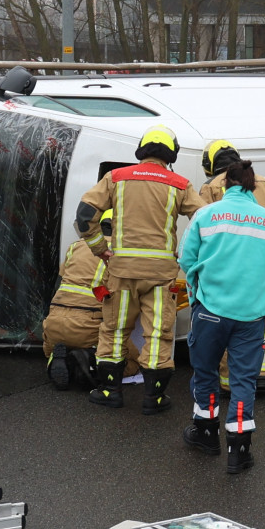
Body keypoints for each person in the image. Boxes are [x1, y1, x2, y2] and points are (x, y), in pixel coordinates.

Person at [74, 125, 205, 413]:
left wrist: (100, 249)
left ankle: (110, 392)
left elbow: (85, 216)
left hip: (121, 271)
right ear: (171, 153)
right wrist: (191, 259)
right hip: (161, 275)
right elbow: (205, 222)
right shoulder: (180, 185)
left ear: (141, 150)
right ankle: (153, 399)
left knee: (114, 330)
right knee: (158, 333)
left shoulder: (116, 178)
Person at [178, 157, 265, 473]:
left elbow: (185, 258)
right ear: (251, 186)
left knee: (206, 374)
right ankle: (239, 450)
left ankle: (204, 435)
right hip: (252, 315)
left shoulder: (205, 215)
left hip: (210, 312)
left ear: (226, 185)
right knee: (243, 380)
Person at [199, 140, 265, 396]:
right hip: (262, 264)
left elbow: (203, 228)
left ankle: (230, 381)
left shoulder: (212, 187)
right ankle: (262, 373)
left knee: (227, 315)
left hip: (228, 265)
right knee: (260, 316)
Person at [42, 210, 112, 391]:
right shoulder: (118, 252)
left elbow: (59, 282)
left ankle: (57, 360)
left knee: (52, 347)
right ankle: (88, 359)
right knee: (124, 357)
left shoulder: (76, 246)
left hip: (54, 324)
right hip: (88, 326)